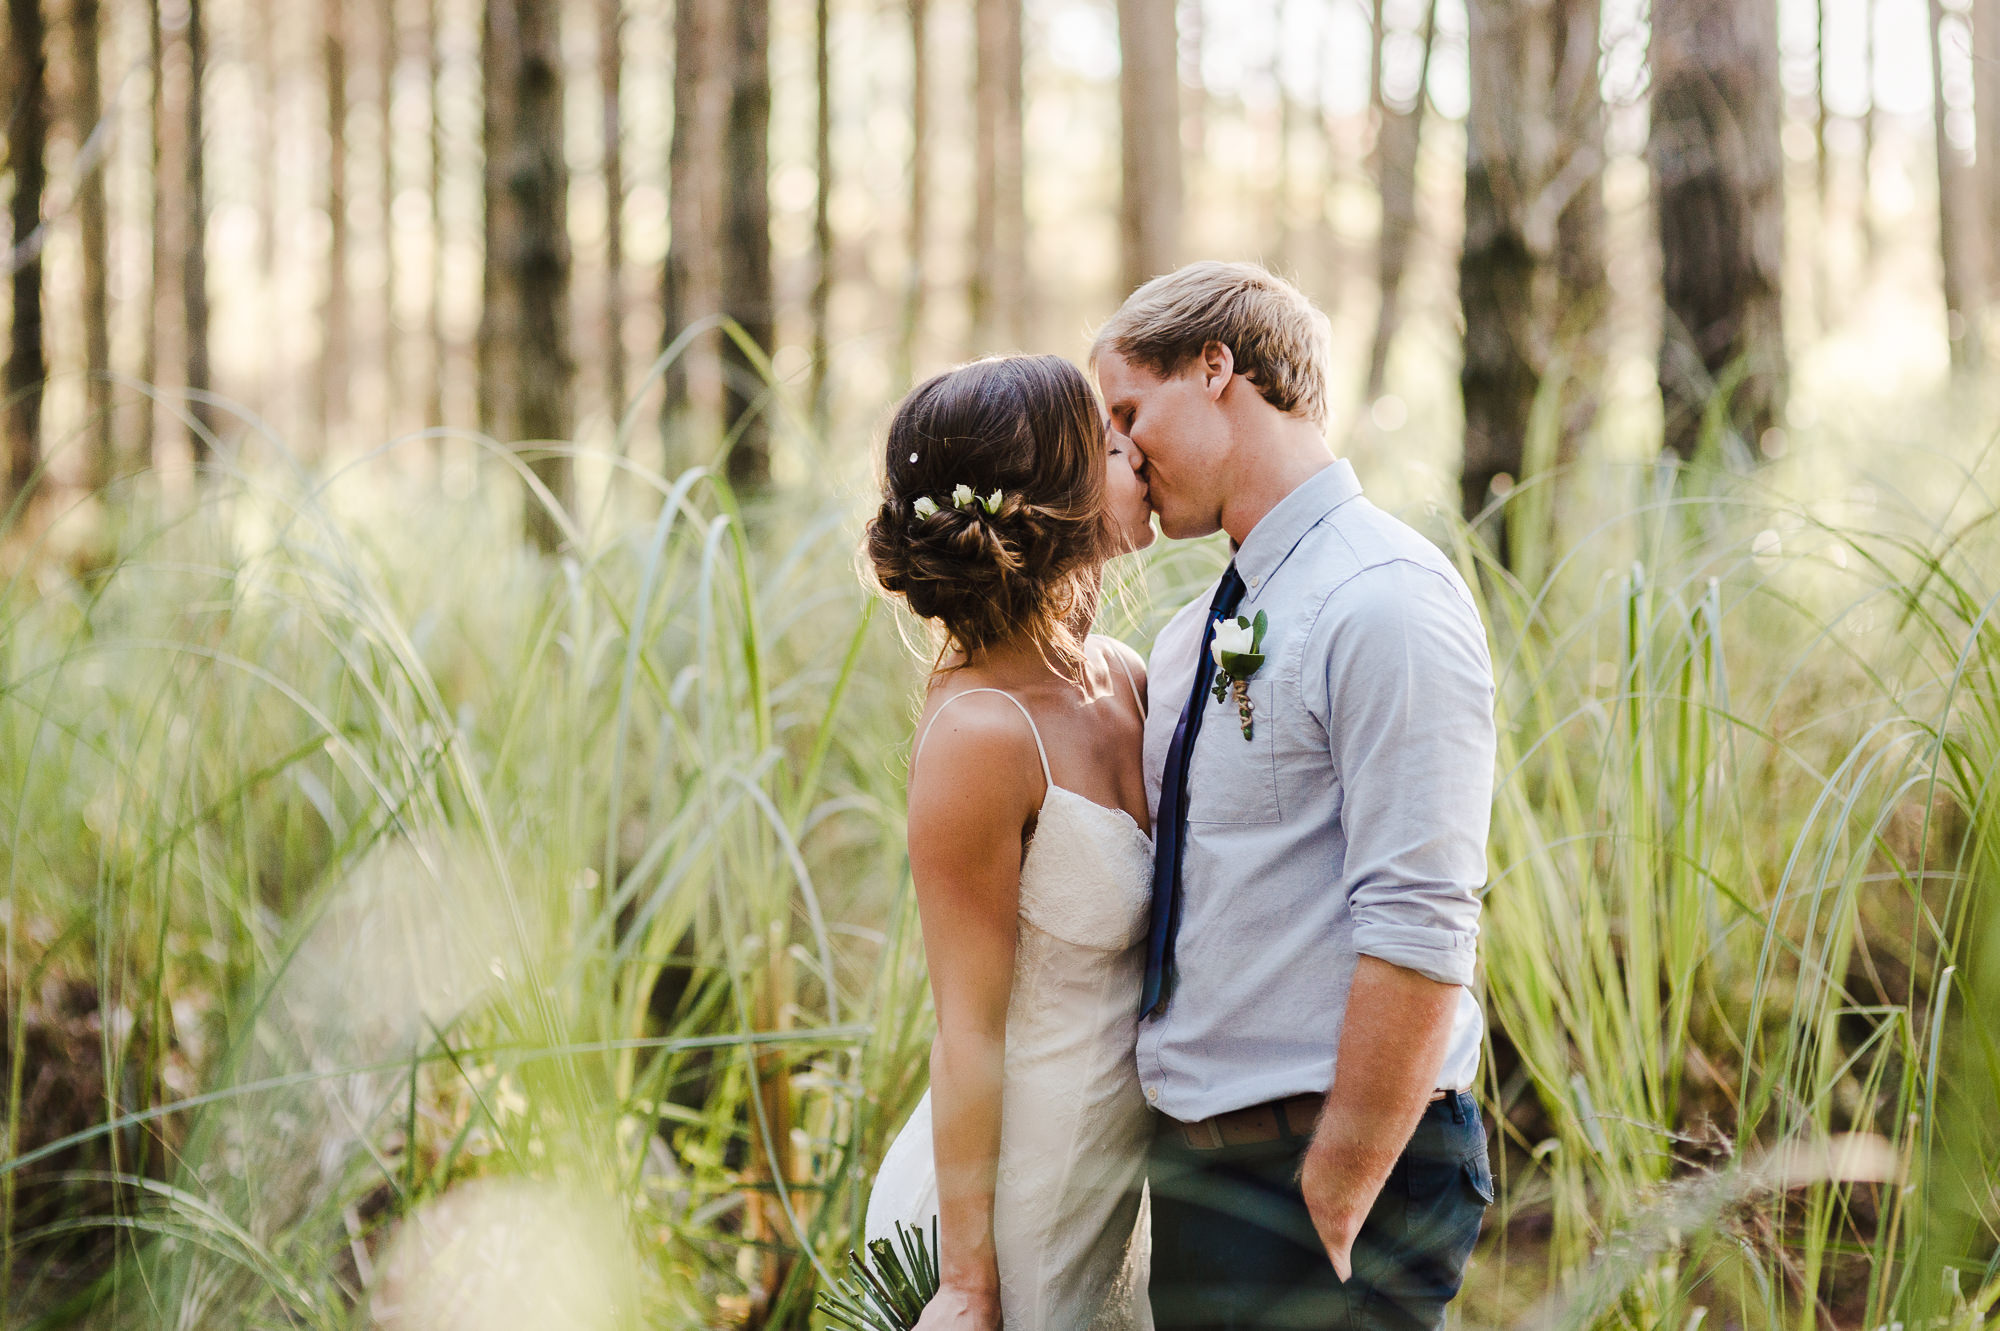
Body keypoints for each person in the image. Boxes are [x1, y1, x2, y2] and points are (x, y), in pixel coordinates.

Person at [1092, 261, 1497, 1331]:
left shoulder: (1384, 600)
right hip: (1202, 1169)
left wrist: (1338, 1182)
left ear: (1216, 366)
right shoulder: (1192, 636)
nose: (1121, 454)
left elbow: (1420, 915)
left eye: (1129, 412)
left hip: (1325, 1172)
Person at [861, 353, 1160, 1330]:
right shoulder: (980, 736)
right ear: (1060, 501)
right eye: (1109, 441)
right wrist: (966, 1282)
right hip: (1012, 1206)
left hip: (1120, 1191)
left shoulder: (1122, 676)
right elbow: (965, 1031)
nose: (1137, 449)